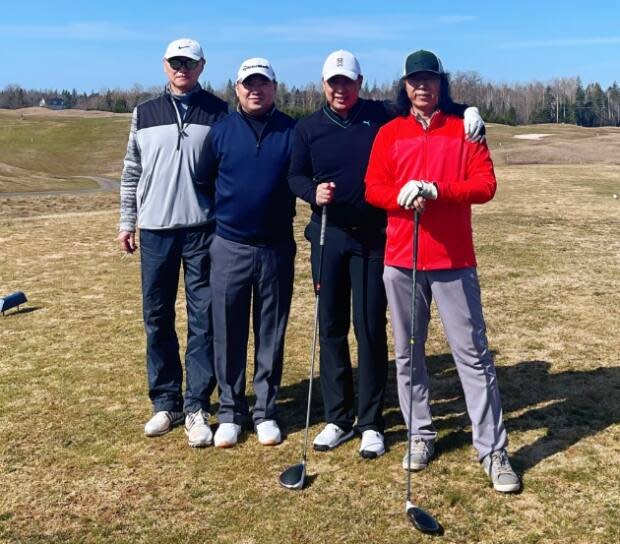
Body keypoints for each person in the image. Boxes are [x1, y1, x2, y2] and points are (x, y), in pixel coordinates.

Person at [288, 50, 485, 459]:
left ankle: (371, 422)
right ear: (324, 85)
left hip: (375, 239)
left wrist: (471, 110)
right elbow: (295, 174)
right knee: (330, 326)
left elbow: (431, 102)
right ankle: (337, 417)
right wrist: (311, 192)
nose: (341, 89)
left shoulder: (379, 115)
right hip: (329, 236)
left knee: (370, 327)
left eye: (348, 82)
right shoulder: (308, 128)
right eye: (333, 83)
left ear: (360, 83)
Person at [365, 50, 521, 492]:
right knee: (408, 353)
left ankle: (492, 451)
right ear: (405, 85)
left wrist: (437, 190)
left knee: (472, 356)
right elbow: (372, 188)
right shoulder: (390, 132)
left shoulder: (465, 128)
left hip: (453, 259)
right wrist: (400, 195)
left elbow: (485, 186)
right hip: (402, 258)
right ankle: (420, 434)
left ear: (440, 84)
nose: (421, 88)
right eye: (414, 81)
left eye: (429, 80)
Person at [118, 38, 228, 447]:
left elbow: (225, 170)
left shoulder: (218, 111)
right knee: (157, 315)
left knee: (204, 318)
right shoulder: (144, 113)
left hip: (203, 229)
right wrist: (127, 222)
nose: (183, 68)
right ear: (165, 65)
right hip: (156, 229)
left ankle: (197, 403)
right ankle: (166, 401)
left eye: (190, 62)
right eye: (176, 62)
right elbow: (132, 171)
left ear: (201, 66)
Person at [198, 58, 296, 448]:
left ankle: (266, 410)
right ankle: (231, 412)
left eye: (263, 83)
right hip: (229, 245)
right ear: (236, 88)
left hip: (275, 247)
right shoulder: (221, 132)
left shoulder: (291, 131)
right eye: (248, 84)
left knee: (271, 331)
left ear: (274, 88)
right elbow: (203, 180)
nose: (255, 90)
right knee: (228, 330)